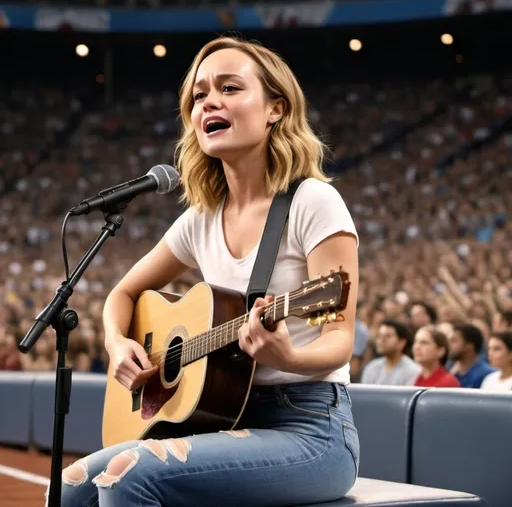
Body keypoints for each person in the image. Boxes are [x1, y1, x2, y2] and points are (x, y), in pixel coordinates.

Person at [57, 36, 360, 507]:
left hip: (310, 428)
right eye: (199, 95)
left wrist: (289, 358)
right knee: (72, 484)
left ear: (275, 108)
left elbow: (339, 337)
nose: (209, 101)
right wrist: (118, 343)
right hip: (224, 422)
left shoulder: (313, 202)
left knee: (126, 476)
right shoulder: (200, 218)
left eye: (230, 88)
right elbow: (122, 293)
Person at [361, 320, 421, 386]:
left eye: (388, 336)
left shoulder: (412, 371)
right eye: (379, 336)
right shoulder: (371, 368)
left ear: (402, 342)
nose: (382, 340)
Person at [448, 324, 495, 388]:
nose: (449, 345)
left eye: (454, 341)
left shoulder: (487, 375)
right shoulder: (450, 370)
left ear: (469, 346)